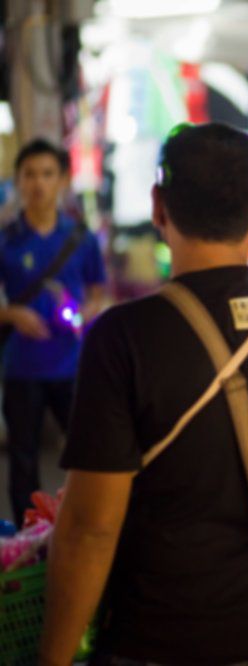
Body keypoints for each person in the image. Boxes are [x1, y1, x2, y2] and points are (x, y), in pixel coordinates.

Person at [40, 123, 248, 664]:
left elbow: (90, 530)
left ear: (159, 206)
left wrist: (52, 657)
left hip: (156, 641)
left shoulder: (122, 340)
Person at [0, 138, 106, 526]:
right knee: (23, 460)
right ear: (18, 181)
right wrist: (12, 314)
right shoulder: (6, 240)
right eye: (29, 174)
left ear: (62, 180)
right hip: (21, 369)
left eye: (47, 174)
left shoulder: (80, 238)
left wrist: (83, 313)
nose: (38, 183)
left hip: (72, 367)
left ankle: (83, 530)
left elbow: (99, 293)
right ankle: (26, 542)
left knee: (88, 456)